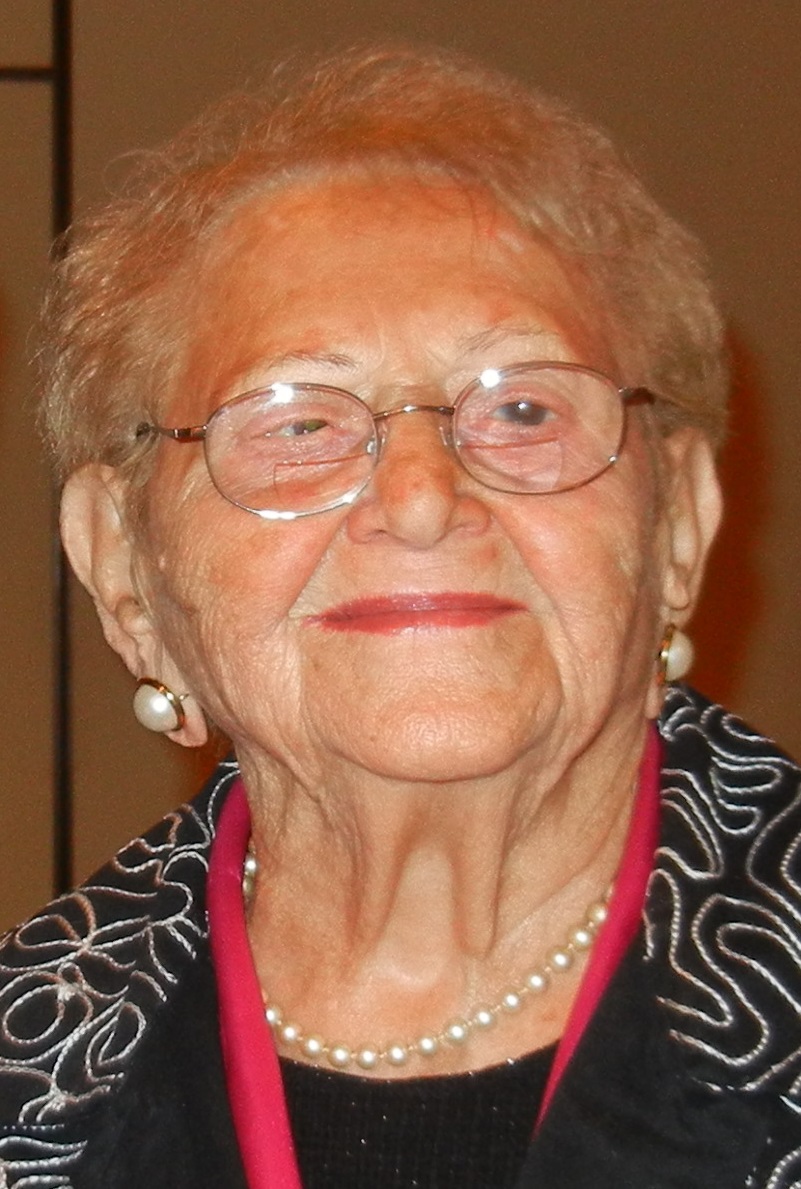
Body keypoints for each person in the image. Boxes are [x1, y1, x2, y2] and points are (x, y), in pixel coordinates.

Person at [1, 43, 799, 1189]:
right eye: (296, 423)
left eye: (524, 405)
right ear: (126, 570)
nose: (423, 496)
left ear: (677, 528)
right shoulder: (28, 1083)